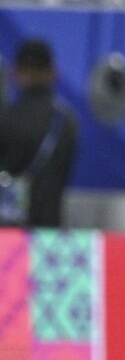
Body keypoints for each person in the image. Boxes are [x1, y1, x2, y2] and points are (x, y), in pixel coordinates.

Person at [0, 39, 78, 228]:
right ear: (53, 73)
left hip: (6, 238)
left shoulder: (6, 119)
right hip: (47, 239)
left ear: (15, 73)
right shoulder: (67, 123)